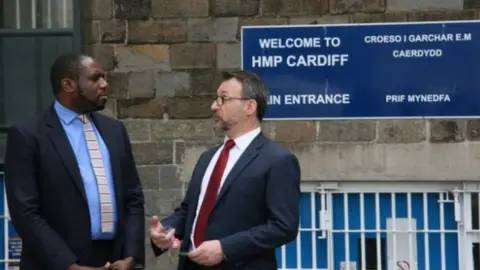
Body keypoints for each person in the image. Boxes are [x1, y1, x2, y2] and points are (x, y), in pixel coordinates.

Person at [4, 53, 145, 270]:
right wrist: (69, 265)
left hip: (114, 260)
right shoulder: (28, 136)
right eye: (95, 78)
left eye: (104, 77)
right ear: (68, 84)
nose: (104, 84)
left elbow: (133, 198)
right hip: (56, 263)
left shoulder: (114, 130)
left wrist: (131, 256)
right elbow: (25, 212)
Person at [149, 70, 301, 270]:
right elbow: (189, 212)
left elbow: (283, 227)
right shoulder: (207, 158)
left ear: (250, 106)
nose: (214, 106)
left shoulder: (278, 160)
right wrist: (167, 230)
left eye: (223, 99)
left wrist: (225, 248)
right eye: (216, 99)